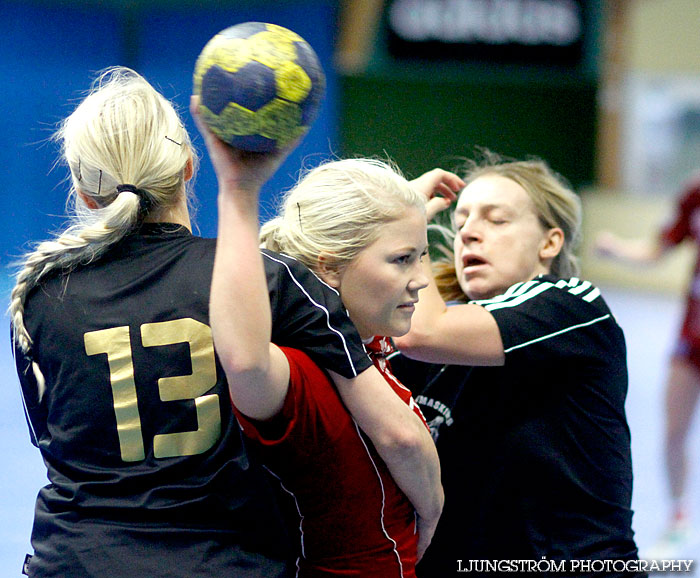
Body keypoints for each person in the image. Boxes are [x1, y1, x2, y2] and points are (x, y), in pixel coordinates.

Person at [8, 66, 441, 578]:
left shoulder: (38, 296)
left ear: (83, 196)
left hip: (73, 560)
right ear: (190, 168)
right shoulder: (267, 280)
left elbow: (54, 445)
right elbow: (394, 430)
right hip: (219, 562)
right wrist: (429, 514)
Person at [196, 94, 462, 574]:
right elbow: (247, 362)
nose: (422, 278)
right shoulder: (299, 375)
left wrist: (402, 209)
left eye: (421, 256)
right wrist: (238, 192)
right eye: (403, 259)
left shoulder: (370, 340)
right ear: (328, 268)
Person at [389, 151, 645, 575]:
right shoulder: (432, 348)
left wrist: (405, 224)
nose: (469, 233)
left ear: (550, 243)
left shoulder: (573, 307)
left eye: (496, 219)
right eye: (461, 222)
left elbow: (425, 332)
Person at [596, 174, 700, 557]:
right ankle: (677, 521)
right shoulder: (694, 192)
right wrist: (618, 250)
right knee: (674, 430)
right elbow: (661, 247)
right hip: (692, 337)